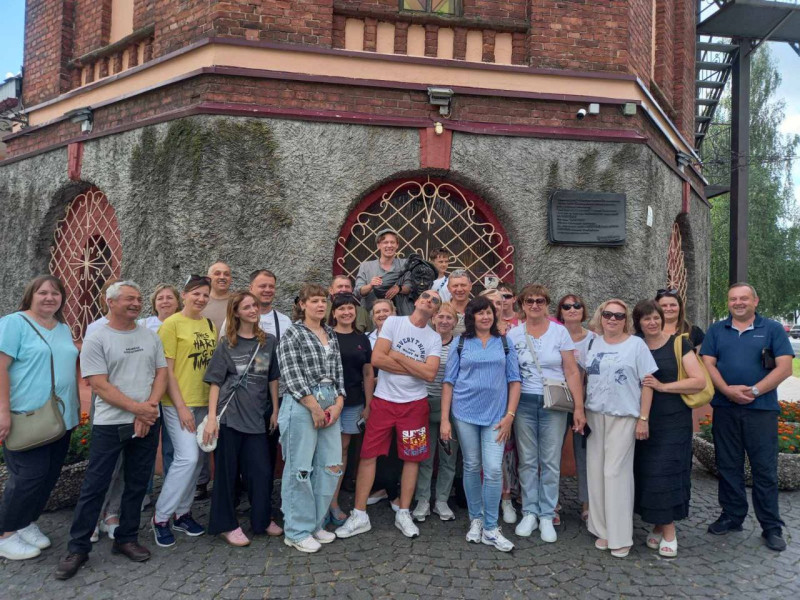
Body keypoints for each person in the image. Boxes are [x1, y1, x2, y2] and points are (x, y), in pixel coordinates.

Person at [56, 281, 167, 579]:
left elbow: (161, 374)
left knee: (137, 483)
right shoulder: (97, 338)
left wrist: (149, 408)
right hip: (110, 423)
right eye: (129, 298)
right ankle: (78, 547)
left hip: (146, 420)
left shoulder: (149, 336)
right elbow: (100, 385)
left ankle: (126, 538)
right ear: (111, 302)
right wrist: (139, 409)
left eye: (139, 298)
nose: (136, 303)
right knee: (96, 485)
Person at [335, 290, 442, 540]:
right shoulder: (394, 322)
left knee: (412, 458)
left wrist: (397, 355)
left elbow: (430, 374)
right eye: (426, 296)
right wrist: (416, 367)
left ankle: (403, 512)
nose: (429, 300)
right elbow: (377, 359)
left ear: (436, 310)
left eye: (435, 300)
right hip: (383, 401)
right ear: (417, 301)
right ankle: (359, 514)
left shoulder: (434, 337)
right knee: (368, 455)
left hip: (415, 405)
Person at [700, 282, 794, 552]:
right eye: (733, 299)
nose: (738, 303)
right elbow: (708, 363)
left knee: (764, 469)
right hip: (725, 408)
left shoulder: (772, 329)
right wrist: (726, 390)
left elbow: (785, 368)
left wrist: (754, 391)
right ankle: (732, 516)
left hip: (761, 410)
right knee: (728, 465)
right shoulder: (717, 330)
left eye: (743, 298)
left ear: (755, 301)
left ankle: (771, 526)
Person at [0, 275, 80, 561]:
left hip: (61, 417)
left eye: (55, 293)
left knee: (48, 475)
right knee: (28, 476)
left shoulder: (63, 328)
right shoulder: (14, 323)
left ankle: (25, 521)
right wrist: (2, 411)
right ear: (30, 296)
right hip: (26, 415)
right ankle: (5, 532)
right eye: (43, 292)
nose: (49, 298)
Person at [441, 296, 521, 551]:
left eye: (489, 312)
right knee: (472, 465)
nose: (485, 317)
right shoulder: (461, 343)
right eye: (480, 313)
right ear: (471, 317)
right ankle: (476, 519)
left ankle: (491, 526)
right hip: (464, 413)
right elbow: (449, 382)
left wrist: (510, 415)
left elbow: (515, 380)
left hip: (496, 416)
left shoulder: (505, 343)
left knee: (494, 469)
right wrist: (444, 420)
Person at [507, 285, 584, 543]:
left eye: (540, 301)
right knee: (528, 459)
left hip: (554, 403)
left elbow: (571, 370)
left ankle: (547, 514)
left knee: (550, 460)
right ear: (522, 304)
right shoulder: (514, 334)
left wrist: (578, 407)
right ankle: (530, 511)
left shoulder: (559, 332)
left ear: (547, 304)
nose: (535, 305)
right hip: (524, 402)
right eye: (529, 300)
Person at [203, 291, 280, 546]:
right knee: (227, 475)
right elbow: (215, 382)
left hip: (256, 418)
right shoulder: (227, 343)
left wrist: (275, 410)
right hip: (230, 418)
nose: (253, 310)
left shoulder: (268, 342)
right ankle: (226, 525)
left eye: (254, 306)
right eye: (247, 307)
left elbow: (272, 378)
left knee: (261, 472)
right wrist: (212, 418)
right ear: (236, 312)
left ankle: (262, 519)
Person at [583, 299, 657, 558]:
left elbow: (648, 383)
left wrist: (643, 418)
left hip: (624, 416)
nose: (612, 319)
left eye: (619, 315)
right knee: (596, 472)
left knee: (616, 474)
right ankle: (602, 529)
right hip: (594, 414)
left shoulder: (636, 345)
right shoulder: (593, 343)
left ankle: (620, 535)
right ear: (600, 316)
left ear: (626, 320)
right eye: (608, 314)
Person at [633, 300, 706, 557]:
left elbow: (698, 381)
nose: (652, 322)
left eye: (656, 317)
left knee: (665, 473)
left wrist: (663, 386)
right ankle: (657, 524)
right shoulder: (635, 344)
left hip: (673, 420)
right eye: (646, 319)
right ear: (638, 323)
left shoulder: (678, 344)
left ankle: (669, 532)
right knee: (647, 474)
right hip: (641, 419)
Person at [277, 284, 346, 553]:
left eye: (323, 301)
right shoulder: (293, 333)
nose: (320, 305)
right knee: (300, 468)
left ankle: (316, 524)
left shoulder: (330, 333)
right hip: (302, 403)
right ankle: (296, 531)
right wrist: (314, 407)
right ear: (302, 304)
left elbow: (338, 373)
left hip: (331, 400)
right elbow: (291, 374)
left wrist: (338, 403)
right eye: (314, 301)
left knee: (329, 466)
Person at [151, 275, 217, 547]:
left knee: (199, 459)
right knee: (186, 458)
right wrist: (181, 408)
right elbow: (166, 370)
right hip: (178, 403)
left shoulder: (209, 324)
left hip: (204, 401)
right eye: (196, 294)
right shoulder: (171, 324)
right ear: (185, 295)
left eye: (205, 295)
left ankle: (182, 513)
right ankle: (160, 518)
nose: (200, 299)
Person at [328, 293, 375, 525]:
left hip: (353, 402)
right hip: (328, 402)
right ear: (334, 313)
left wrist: (368, 403)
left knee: (343, 449)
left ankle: (333, 502)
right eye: (342, 308)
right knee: (325, 450)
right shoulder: (326, 336)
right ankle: (320, 500)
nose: (346, 312)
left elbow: (368, 372)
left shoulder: (362, 338)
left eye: (350, 308)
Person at [412, 301, 459, 522]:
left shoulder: (459, 345)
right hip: (424, 401)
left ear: (455, 322)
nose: (444, 321)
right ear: (433, 319)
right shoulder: (423, 340)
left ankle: (441, 500)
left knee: (448, 455)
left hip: (451, 406)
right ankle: (422, 499)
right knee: (424, 455)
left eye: (449, 317)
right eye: (440, 316)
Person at [137, 284, 181, 509]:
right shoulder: (143, 325)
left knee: (172, 446)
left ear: (177, 302)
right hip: (149, 392)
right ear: (154, 303)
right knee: (146, 445)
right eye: (160, 298)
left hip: (174, 393)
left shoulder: (183, 323)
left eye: (169, 297)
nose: (165, 301)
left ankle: (171, 492)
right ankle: (143, 491)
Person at [479, 287, 518, 523]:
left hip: (508, 400)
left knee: (507, 453)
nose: (495, 305)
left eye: (499, 301)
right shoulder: (477, 331)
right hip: (482, 401)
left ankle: (507, 497)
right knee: (484, 455)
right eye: (490, 302)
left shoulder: (515, 330)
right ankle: (486, 499)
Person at [555, 293, 595, 522]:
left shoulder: (593, 339)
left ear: (583, 310)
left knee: (585, 453)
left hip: (586, 402)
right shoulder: (554, 335)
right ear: (560, 311)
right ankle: (552, 502)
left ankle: (587, 503)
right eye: (567, 306)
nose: (572, 309)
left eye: (577, 305)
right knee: (552, 451)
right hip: (558, 400)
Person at [364, 299, 402, 508]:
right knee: (377, 447)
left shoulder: (404, 337)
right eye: (377, 312)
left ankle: (393, 491)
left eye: (386, 310)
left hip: (399, 396)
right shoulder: (366, 339)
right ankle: (380, 487)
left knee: (395, 447)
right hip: (374, 397)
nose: (382, 315)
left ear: (394, 312)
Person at [355, 229, 412, 314]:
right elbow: (358, 292)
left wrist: (399, 288)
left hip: (399, 315)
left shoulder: (405, 265)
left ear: (397, 245)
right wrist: (370, 285)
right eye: (385, 242)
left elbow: (411, 286)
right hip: (372, 315)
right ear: (378, 245)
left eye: (392, 242)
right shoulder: (366, 266)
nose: (389, 245)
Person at [202, 262, 233, 333]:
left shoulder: (237, 301)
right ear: (208, 278)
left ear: (231, 279)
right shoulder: (200, 301)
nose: (222, 277)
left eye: (226, 274)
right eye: (217, 274)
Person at [447, 270, 472, 336]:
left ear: (470, 286)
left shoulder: (478, 309)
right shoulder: (441, 310)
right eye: (455, 286)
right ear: (448, 288)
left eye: (463, 285)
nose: (459, 289)